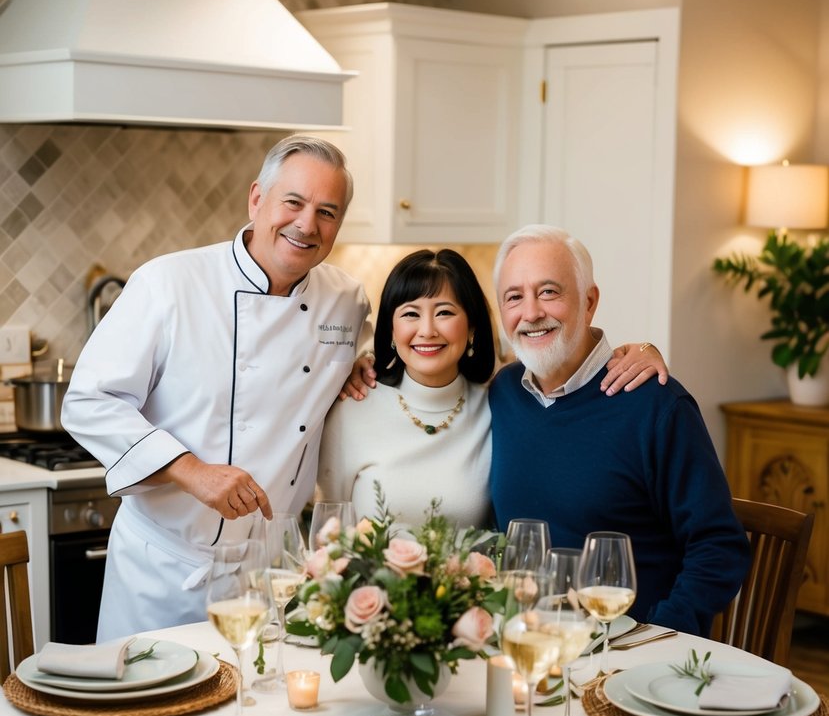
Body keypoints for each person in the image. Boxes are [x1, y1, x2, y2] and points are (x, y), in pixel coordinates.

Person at [62, 135, 373, 639]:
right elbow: (88, 401)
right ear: (257, 199)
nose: (306, 224)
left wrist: (362, 364)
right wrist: (192, 471)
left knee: (254, 711)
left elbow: (361, 364)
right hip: (164, 573)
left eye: (327, 212)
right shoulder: (169, 283)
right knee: (148, 714)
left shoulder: (346, 300)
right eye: (292, 202)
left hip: (273, 579)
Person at [488, 224, 751, 636]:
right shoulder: (503, 393)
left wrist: (658, 638)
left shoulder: (655, 404)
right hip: (525, 642)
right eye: (514, 297)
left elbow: (719, 546)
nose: (532, 312)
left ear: (589, 301)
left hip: (625, 653)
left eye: (549, 292)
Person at [317, 248, 669, 529]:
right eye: (410, 314)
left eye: (444, 312)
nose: (426, 330)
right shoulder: (353, 406)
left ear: (471, 328)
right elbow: (328, 533)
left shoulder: (502, 398)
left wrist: (643, 350)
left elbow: (565, 363)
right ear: (391, 331)